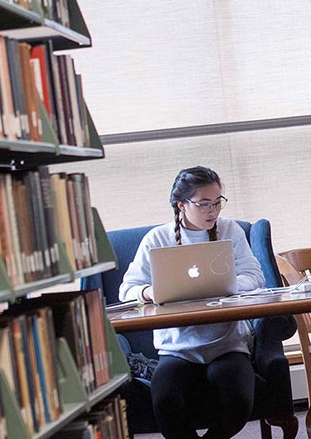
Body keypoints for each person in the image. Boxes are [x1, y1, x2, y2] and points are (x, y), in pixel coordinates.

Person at [119, 166, 265, 439]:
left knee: (239, 401)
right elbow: (127, 290)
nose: (213, 211)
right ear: (181, 205)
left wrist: (225, 284)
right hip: (177, 350)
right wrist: (153, 291)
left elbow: (255, 277)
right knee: (165, 403)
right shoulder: (157, 238)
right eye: (204, 204)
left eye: (218, 202)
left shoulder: (230, 230)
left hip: (227, 346)